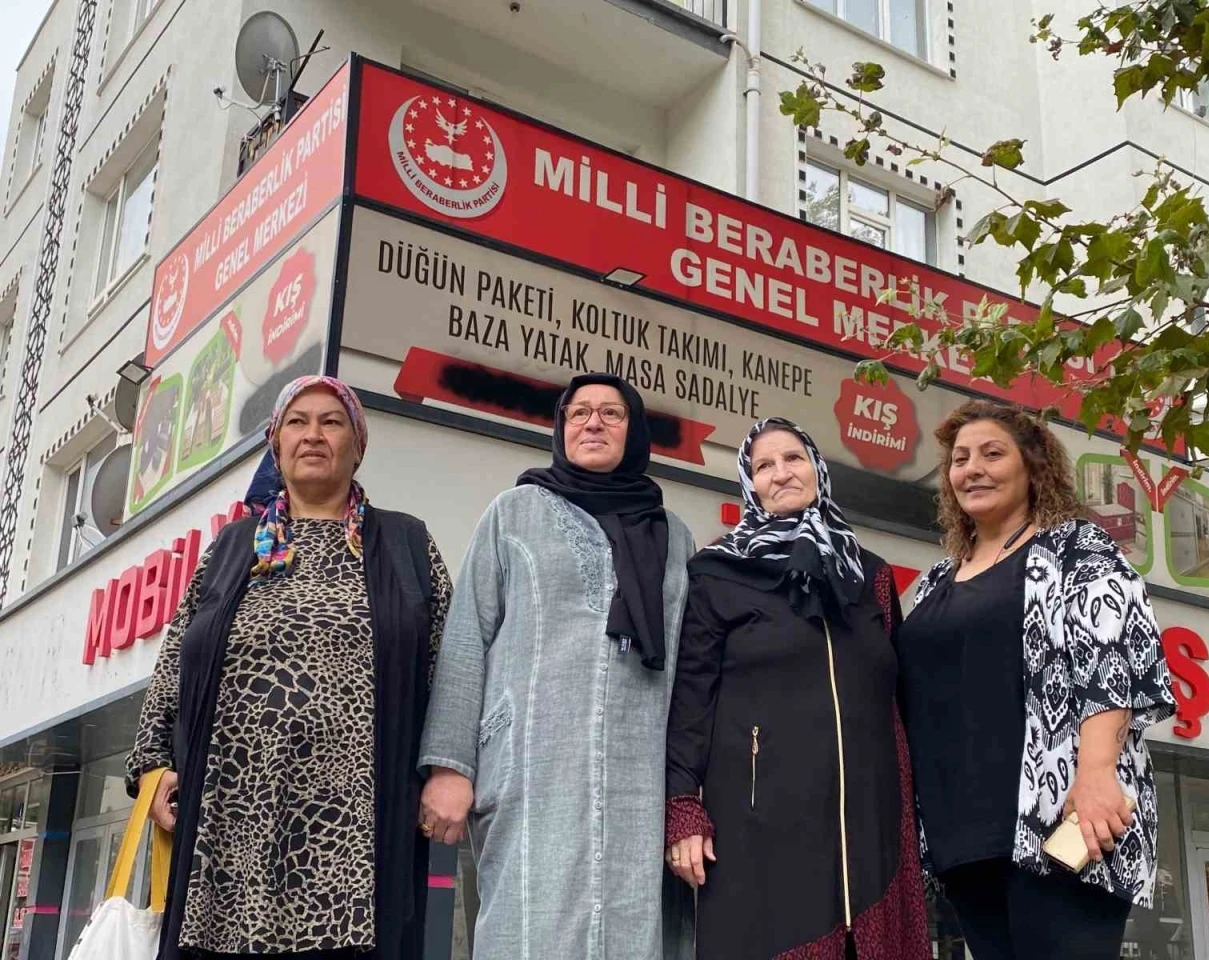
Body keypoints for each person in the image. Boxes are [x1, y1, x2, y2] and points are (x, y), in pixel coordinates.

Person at [125, 375, 453, 960]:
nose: (314, 435)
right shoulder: (232, 547)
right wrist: (152, 763)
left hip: (358, 828)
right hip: (230, 818)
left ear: (358, 444)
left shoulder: (406, 543)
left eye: (332, 422)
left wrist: (447, 769)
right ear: (276, 445)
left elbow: (449, 668)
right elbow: (176, 659)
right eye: (297, 422)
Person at [418, 373, 697, 960]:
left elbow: (690, 669)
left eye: (612, 413)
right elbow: (466, 637)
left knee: (630, 929)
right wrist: (449, 765)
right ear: (561, 428)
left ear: (634, 432)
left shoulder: (674, 537)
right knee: (527, 927)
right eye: (579, 412)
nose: (593, 422)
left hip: (640, 779)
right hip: (530, 766)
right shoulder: (513, 513)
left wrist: (686, 795)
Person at [898, 400, 1177, 960]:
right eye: (960, 459)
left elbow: (1112, 659)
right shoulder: (934, 582)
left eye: (992, 454)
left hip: (1060, 821)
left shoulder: (1076, 547)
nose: (972, 469)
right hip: (963, 838)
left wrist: (1095, 775)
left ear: (1032, 466)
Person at [664, 417, 930, 960]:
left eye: (793, 458)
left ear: (818, 469)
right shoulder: (718, 573)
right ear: (749, 483)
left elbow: (899, 703)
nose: (781, 473)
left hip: (872, 825)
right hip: (761, 825)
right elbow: (690, 700)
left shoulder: (869, 575)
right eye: (763, 465)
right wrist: (682, 807)